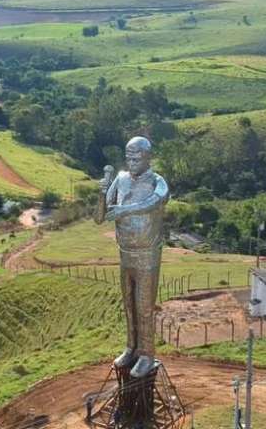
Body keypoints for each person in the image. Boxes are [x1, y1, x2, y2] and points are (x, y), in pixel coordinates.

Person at [95, 136, 169, 378]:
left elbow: (154, 202)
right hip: (125, 253)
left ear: (148, 157)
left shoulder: (158, 183)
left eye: (137, 157)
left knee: (144, 307)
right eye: (129, 157)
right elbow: (100, 217)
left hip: (147, 256)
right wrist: (102, 194)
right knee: (128, 305)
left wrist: (125, 209)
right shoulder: (121, 179)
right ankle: (131, 347)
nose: (132, 161)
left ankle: (147, 354)